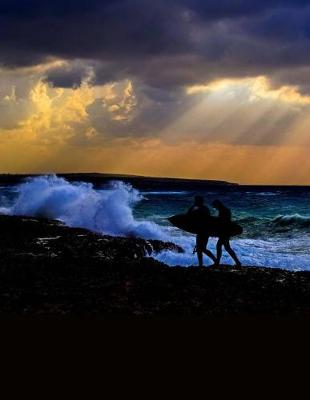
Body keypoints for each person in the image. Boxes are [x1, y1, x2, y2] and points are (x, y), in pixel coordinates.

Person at [187, 196, 217, 267]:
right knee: (201, 248)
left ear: (198, 201)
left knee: (201, 249)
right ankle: (207, 262)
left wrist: (193, 206)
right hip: (205, 231)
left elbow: (188, 215)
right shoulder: (205, 209)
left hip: (202, 231)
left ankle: (213, 261)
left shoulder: (198, 209)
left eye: (196, 201)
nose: (195, 202)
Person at [212, 199, 241, 267]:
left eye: (215, 206)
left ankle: (217, 263)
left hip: (225, 232)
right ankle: (237, 262)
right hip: (226, 231)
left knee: (219, 246)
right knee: (227, 247)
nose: (215, 208)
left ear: (217, 205)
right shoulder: (225, 210)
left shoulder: (223, 210)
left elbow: (223, 222)